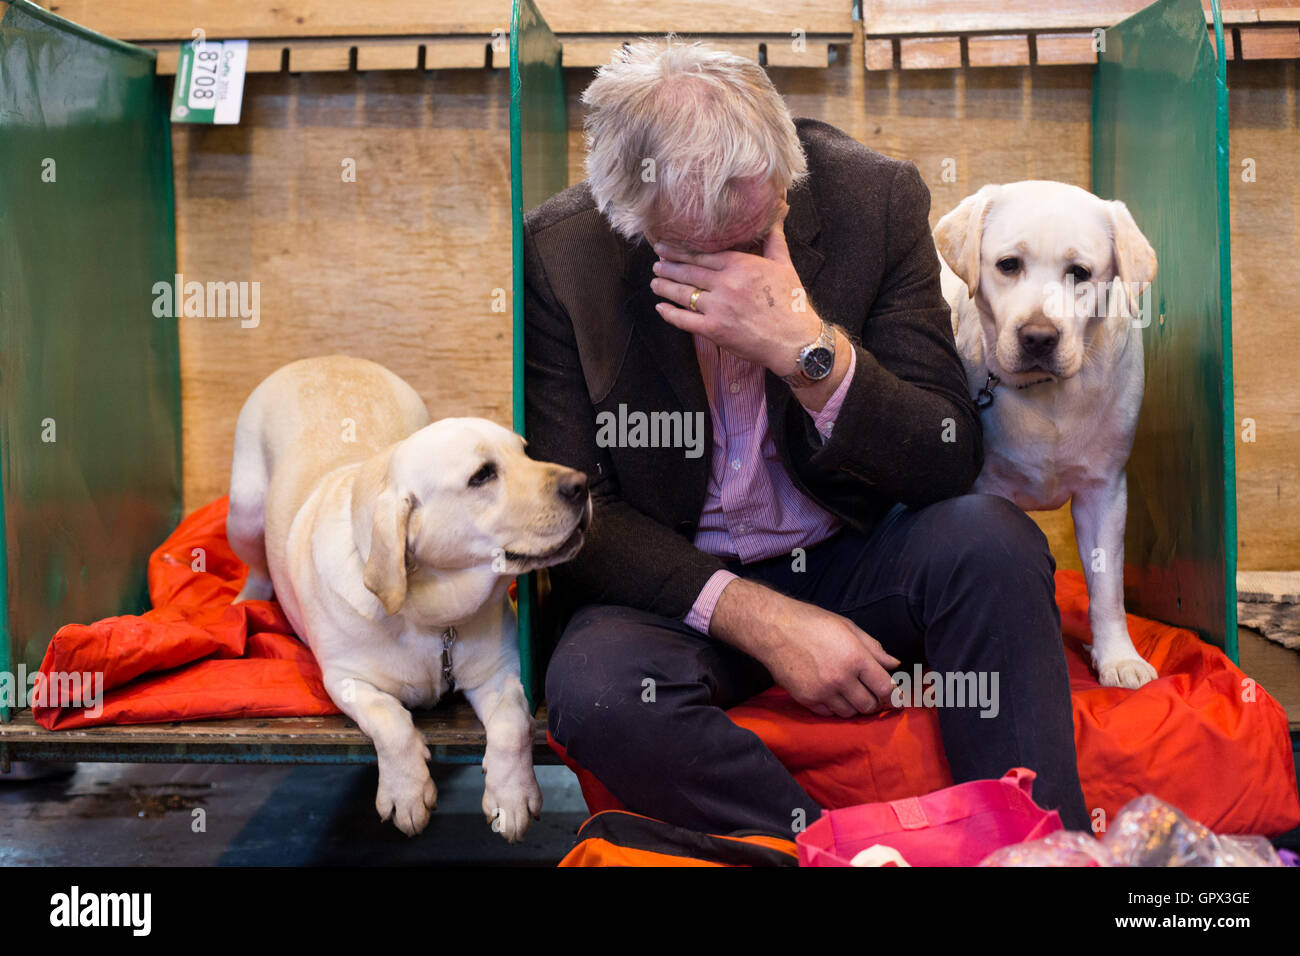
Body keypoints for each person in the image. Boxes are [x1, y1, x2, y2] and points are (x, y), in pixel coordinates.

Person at [522, 36, 1089, 836]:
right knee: (598, 693)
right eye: (693, 253)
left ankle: (1041, 847)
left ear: (785, 175)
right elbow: (583, 513)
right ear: (627, 214)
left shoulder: (874, 198)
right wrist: (765, 621)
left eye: (755, 237)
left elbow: (945, 455)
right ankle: (837, 852)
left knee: (991, 540)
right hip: (681, 588)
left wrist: (807, 352)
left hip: (850, 553)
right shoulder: (563, 252)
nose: (735, 276)